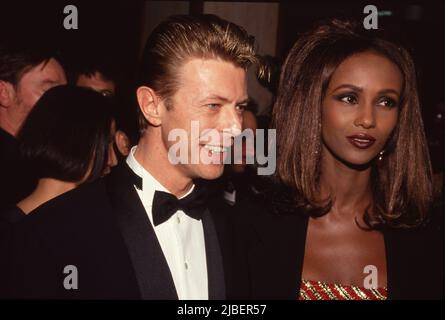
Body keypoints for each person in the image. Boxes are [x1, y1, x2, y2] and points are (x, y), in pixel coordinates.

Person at [7, 14, 259, 299]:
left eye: (239, 107)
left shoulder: (238, 228)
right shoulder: (55, 232)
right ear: (152, 106)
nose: (235, 127)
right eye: (213, 105)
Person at [229, 19, 443, 300]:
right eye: (349, 98)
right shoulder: (253, 224)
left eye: (386, 102)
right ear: (312, 104)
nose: (368, 119)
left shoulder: (425, 238)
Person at [0, 85, 114, 297]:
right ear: (79, 143)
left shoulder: (90, 225)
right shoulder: (14, 240)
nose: (112, 160)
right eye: (106, 144)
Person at [0, 41, 67, 210]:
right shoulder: (17, 170)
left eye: (64, 94)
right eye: (49, 91)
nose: (62, 103)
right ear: (4, 93)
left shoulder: (40, 159)